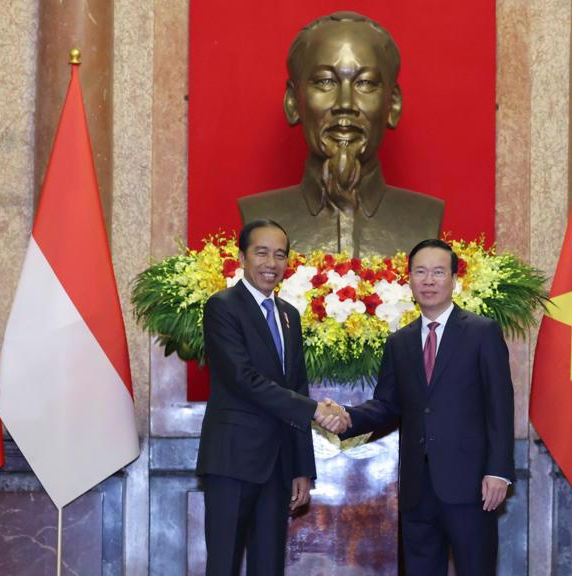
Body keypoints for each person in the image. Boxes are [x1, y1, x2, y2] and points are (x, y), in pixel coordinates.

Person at [320, 239, 515, 575]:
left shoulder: (482, 333)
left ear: (454, 280)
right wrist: (347, 416)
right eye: (420, 272)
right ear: (408, 279)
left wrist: (498, 471)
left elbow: (500, 405)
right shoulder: (400, 342)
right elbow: (386, 405)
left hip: (471, 486)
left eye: (438, 272)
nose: (429, 280)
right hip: (417, 488)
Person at [196, 219, 349, 576]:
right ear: (242, 257)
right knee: (224, 564)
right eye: (261, 252)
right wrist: (315, 411)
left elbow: (297, 388)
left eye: (280, 255)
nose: (271, 263)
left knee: (269, 566)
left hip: (277, 467)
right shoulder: (223, 307)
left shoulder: (289, 316)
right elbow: (242, 379)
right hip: (232, 459)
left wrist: (301, 469)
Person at [239, 12, 443, 257]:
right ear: (293, 102)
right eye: (325, 82)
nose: (345, 103)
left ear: (393, 105)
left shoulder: (425, 217)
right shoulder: (256, 214)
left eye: (365, 83)